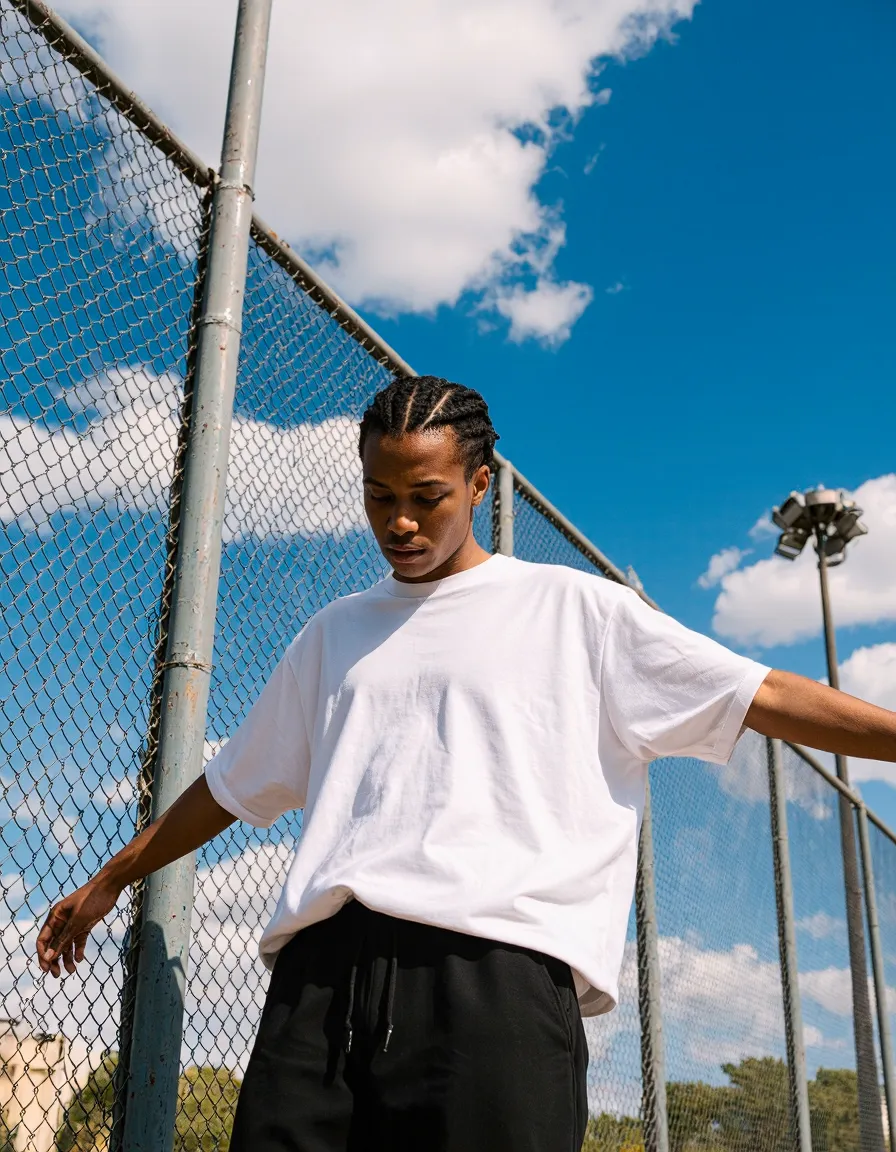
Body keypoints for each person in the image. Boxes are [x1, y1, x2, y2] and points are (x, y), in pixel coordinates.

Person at [36, 375, 896, 1151]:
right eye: (379, 496)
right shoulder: (334, 633)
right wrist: (114, 875)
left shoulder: (575, 611)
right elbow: (231, 786)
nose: (399, 522)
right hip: (322, 983)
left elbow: (763, 693)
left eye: (427, 496)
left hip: (497, 980)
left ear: (480, 486)